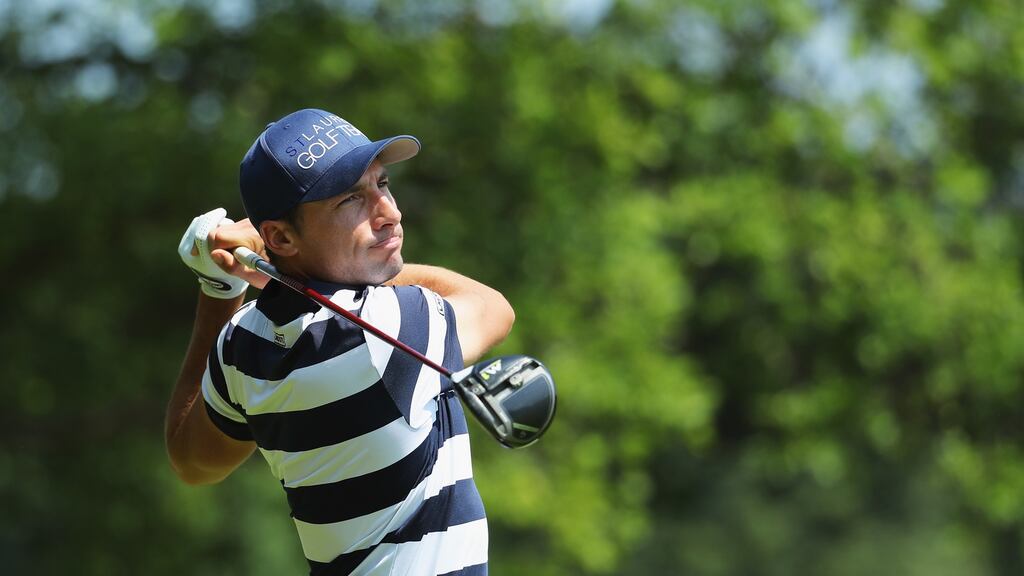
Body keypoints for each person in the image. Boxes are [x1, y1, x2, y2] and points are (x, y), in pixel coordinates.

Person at [164, 108, 514, 575]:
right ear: (281, 237)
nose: (389, 213)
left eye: (382, 184)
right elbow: (493, 308)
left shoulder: (241, 346)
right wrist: (272, 269)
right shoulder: (387, 330)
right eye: (351, 199)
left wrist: (219, 287)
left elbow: (193, 463)